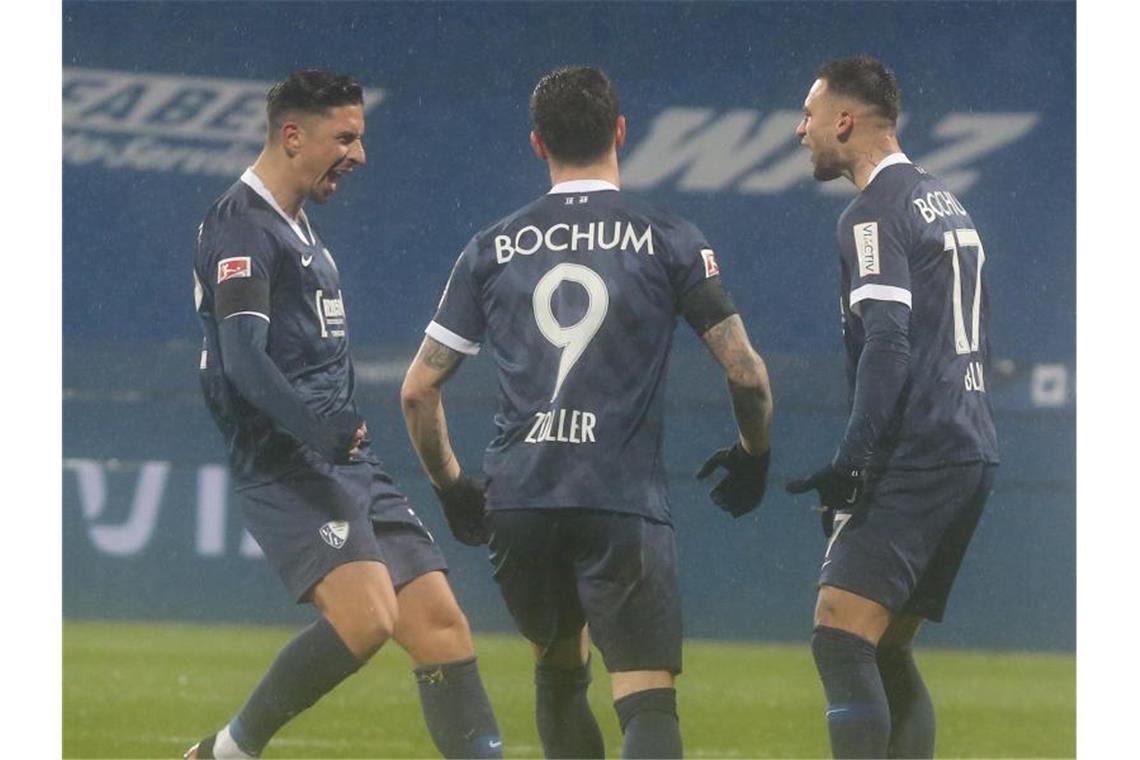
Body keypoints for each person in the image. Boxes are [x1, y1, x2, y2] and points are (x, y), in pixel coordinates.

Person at [400, 65, 773, 759]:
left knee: (560, 672)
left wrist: (452, 487)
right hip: (618, 501)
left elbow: (418, 390)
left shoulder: (490, 246)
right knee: (646, 702)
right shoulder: (670, 238)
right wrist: (755, 455)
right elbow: (746, 373)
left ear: (539, 143)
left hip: (520, 500)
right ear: (621, 132)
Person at [187, 70, 501, 759]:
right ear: (292, 135)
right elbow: (243, 357)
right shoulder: (242, 223)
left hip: (344, 460)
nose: (358, 155)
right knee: (366, 619)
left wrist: (336, 437)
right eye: (346, 137)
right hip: (287, 461)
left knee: (442, 626)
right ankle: (226, 753)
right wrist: (316, 429)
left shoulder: (296, 224)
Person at [786, 56, 1000, 759]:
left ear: (845, 120)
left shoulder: (873, 212)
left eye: (811, 116)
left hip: (921, 450)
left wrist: (854, 459)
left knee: (839, 636)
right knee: (885, 649)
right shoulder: (945, 199)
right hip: (970, 445)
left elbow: (888, 343)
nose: (801, 131)